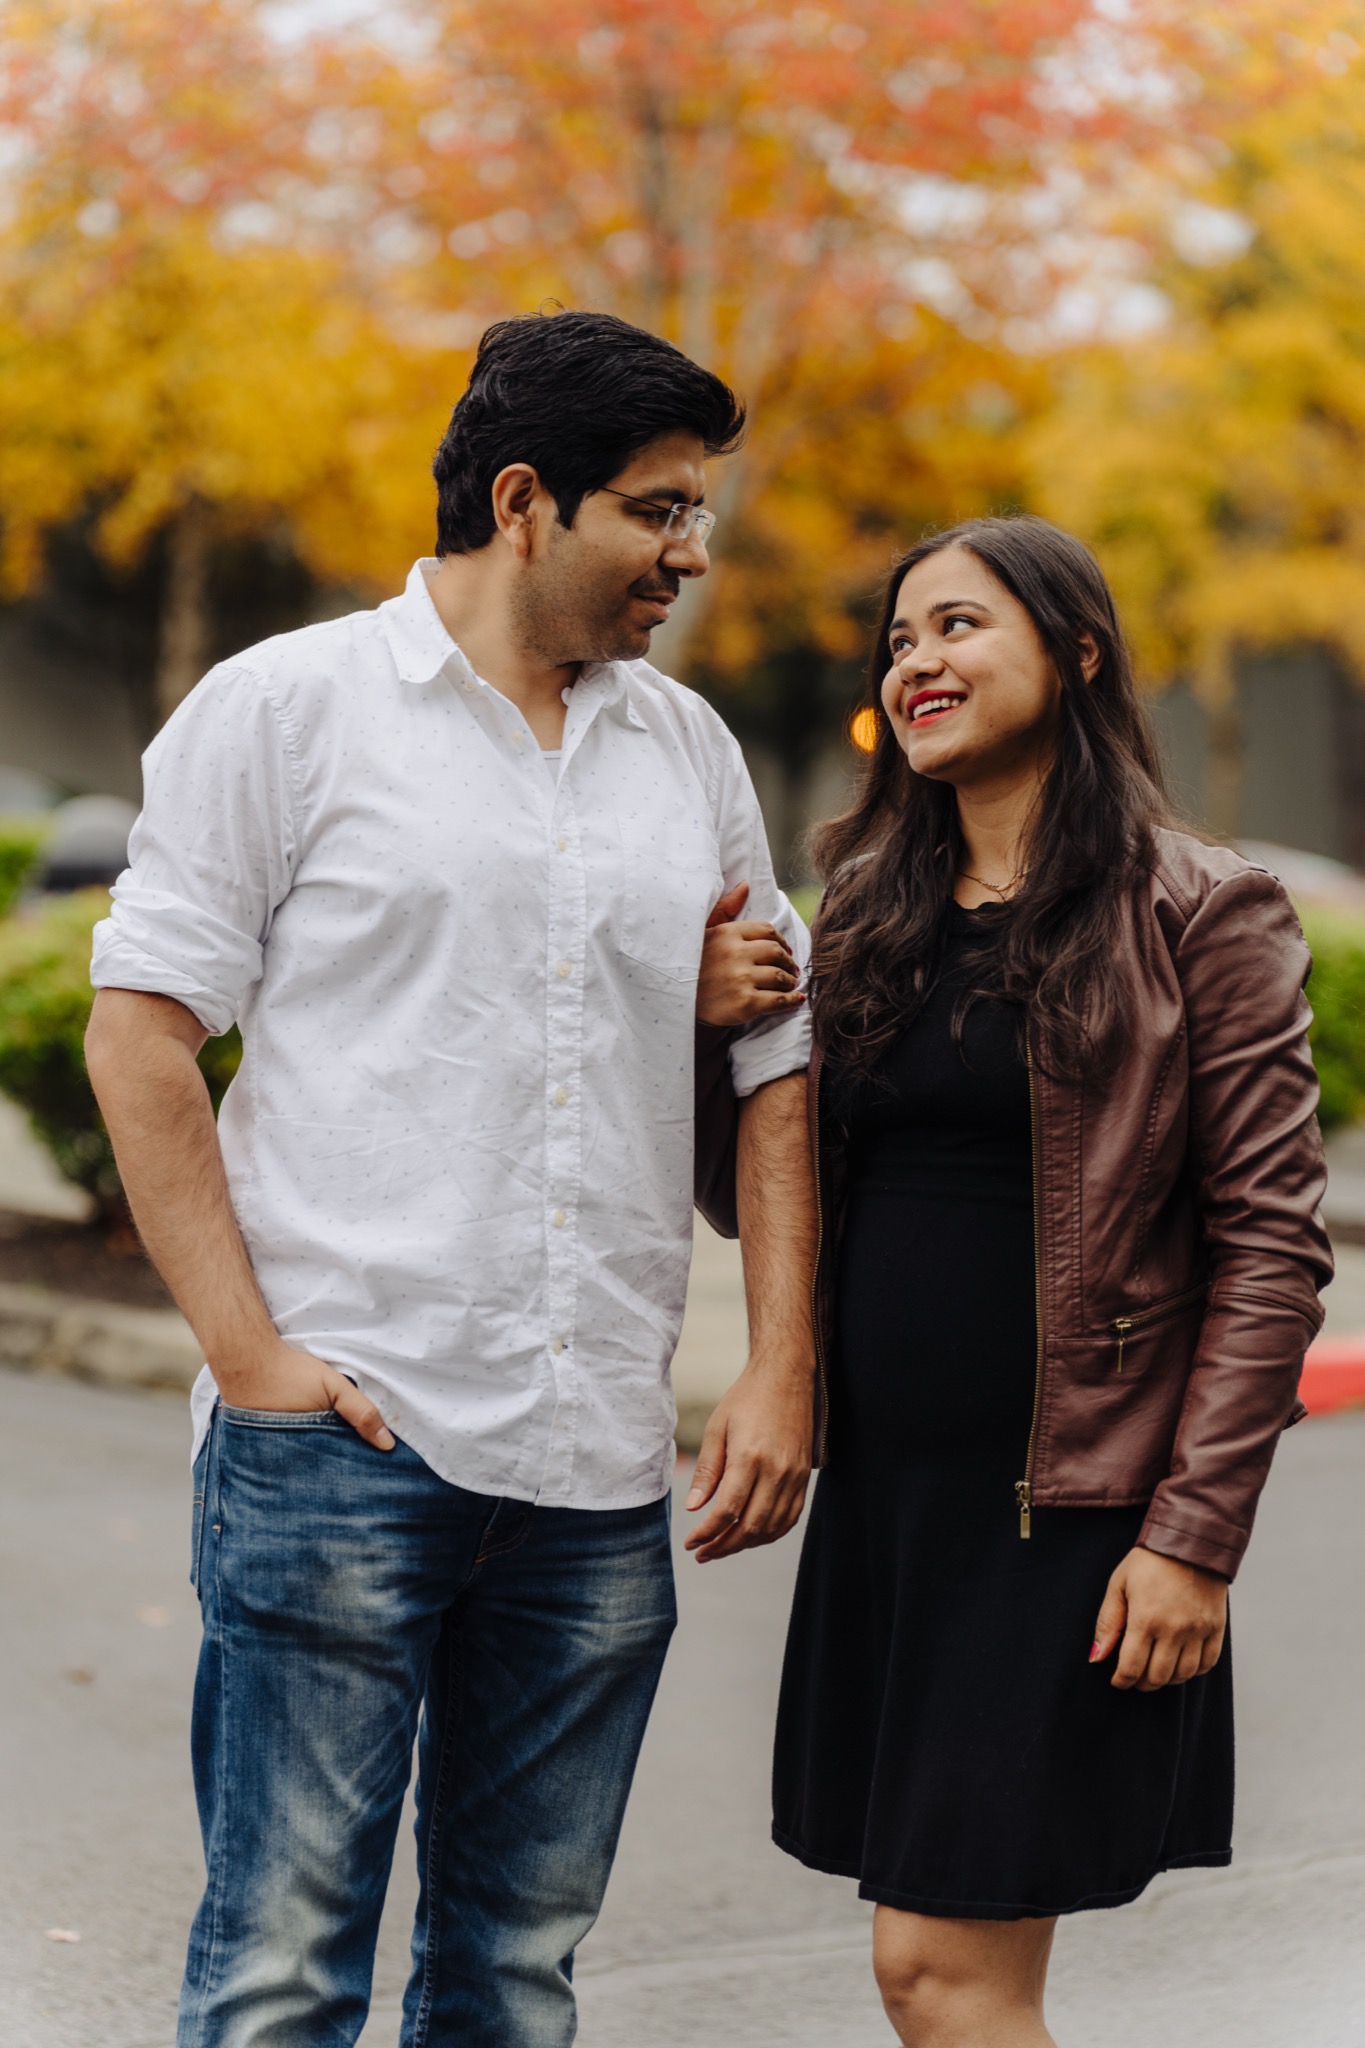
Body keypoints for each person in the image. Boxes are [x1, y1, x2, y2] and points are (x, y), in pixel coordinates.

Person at [84, 308, 819, 2048]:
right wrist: (253, 1361)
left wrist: (781, 1363)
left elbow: (773, 1061)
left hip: (592, 1464)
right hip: (344, 1436)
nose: (690, 554)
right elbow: (142, 1037)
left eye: (697, 513)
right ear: (521, 501)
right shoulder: (287, 710)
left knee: (513, 1978)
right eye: (656, 510)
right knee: (280, 1973)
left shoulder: (687, 754)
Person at [771, 514, 1332, 2047]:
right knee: (939, 1972)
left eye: (957, 625)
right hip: (890, 1508)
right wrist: (712, 1035)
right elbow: (774, 1193)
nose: (915, 661)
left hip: (1065, 1519)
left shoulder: (1196, 907)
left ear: (1075, 652)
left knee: (937, 1974)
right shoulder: (863, 911)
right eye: (897, 639)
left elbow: (1271, 1244)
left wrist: (1192, 1539)